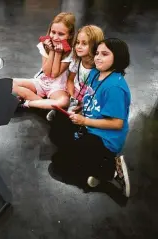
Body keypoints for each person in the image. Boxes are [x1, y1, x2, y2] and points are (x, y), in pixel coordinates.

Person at [52, 38, 132, 198]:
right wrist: (82, 107)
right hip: (88, 126)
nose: (98, 58)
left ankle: (111, 169)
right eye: (96, 53)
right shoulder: (96, 73)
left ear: (118, 57)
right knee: (56, 126)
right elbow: (92, 97)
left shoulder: (115, 87)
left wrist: (85, 121)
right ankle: (94, 166)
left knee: (59, 161)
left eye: (105, 54)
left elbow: (117, 123)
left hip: (105, 138)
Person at [12, 12, 75, 109]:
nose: (55, 37)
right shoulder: (45, 44)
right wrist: (51, 51)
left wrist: (57, 53)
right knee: (10, 83)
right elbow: (46, 72)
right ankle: (44, 104)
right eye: (53, 32)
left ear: (70, 35)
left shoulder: (71, 52)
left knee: (63, 101)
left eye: (61, 34)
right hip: (41, 82)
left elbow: (54, 74)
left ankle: (29, 102)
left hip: (57, 87)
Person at [46, 25, 104, 121]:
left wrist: (83, 104)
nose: (78, 47)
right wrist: (72, 96)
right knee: (64, 100)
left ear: (95, 46)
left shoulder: (98, 68)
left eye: (84, 44)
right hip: (75, 93)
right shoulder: (77, 61)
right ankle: (63, 110)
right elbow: (70, 80)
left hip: (89, 96)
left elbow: (97, 93)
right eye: (77, 43)